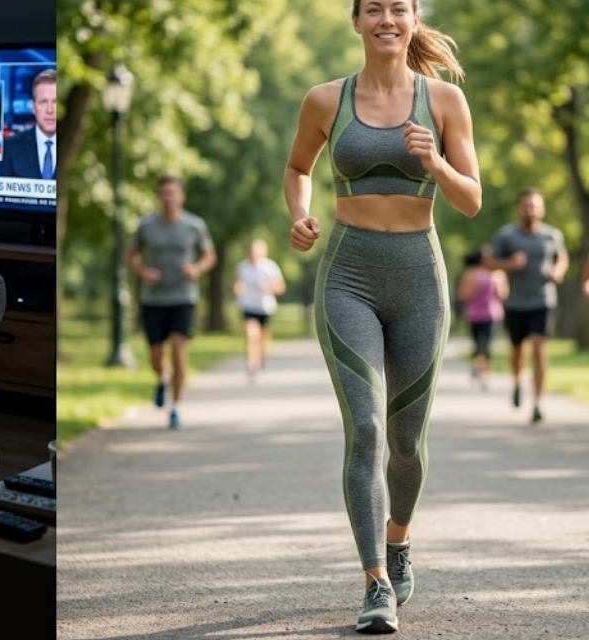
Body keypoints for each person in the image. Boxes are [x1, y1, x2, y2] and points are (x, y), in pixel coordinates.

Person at [284, 0, 481, 632]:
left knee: (406, 441)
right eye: (374, 8)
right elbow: (297, 168)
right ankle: (376, 582)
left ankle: (399, 539)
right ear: (357, 21)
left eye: (399, 8)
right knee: (366, 429)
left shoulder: (444, 101)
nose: (386, 19)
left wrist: (436, 163)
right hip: (348, 276)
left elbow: (472, 200)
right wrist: (300, 215)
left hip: (420, 279)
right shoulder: (325, 100)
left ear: (415, 19)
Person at [126, 176, 216, 430]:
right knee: (156, 357)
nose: (168, 198)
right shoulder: (146, 225)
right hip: (153, 298)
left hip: (183, 297)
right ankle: (162, 378)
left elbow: (209, 255)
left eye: (173, 193)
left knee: (178, 348)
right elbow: (131, 255)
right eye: (164, 193)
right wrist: (143, 272)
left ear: (181, 196)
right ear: (159, 196)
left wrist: (196, 269)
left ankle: (175, 407)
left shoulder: (194, 225)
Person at [484, 188, 568, 425]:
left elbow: (561, 257)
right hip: (516, 303)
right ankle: (517, 380)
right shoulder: (507, 235)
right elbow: (489, 263)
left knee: (539, 347)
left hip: (543, 301)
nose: (530, 209)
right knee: (517, 350)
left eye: (535, 205)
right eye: (526, 205)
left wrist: (557, 271)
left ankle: (538, 403)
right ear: (519, 209)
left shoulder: (552, 235)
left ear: (542, 209)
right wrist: (509, 264)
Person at [233, 238, 286, 381]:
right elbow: (238, 283)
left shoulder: (270, 267)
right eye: (252, 252)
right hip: (248, 306)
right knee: (251, 334)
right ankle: (251, 365)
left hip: (265, 308)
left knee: (262, 338)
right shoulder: (242, 267)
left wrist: (268, 287)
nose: (254, 255)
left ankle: (261, 356)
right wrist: (238, 288)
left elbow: (281, 287)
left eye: (257, 252)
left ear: (263, 252)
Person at [456, 247, 507, 389]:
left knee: (487, 345)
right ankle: (477, 366)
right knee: (477, 344)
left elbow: (503, 295)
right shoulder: (470, 273)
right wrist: (475, 286)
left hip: (492, 314)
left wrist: (498, 285)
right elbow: (462, 295)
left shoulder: (498, 274)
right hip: (475, 315)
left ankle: (486, 374)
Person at [0, 69, 56, 179]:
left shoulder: (76, 148)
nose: (50, 110)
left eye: (55, 102)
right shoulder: (10, 148)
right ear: (33, 107)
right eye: (43, 102)